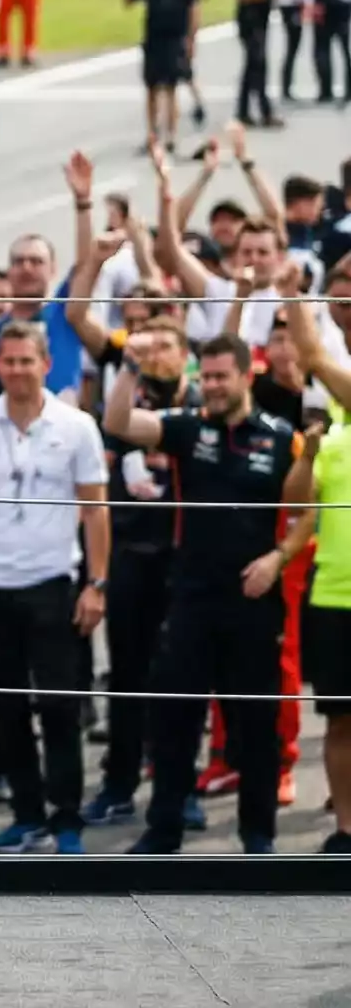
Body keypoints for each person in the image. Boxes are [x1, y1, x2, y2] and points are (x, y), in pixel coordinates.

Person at [105, 332, 303, 855]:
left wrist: (278, 558)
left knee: (257, 725)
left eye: (221, 376)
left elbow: (309, 514)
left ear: (245, 376)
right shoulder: (189, 428)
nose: (212, 386)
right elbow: (119, 423)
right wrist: (131, 366)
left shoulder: (282, 437)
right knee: (174, 718)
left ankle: (258, 836)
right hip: (191, 598)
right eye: (205, 377)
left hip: (254, 602)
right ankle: (163, 828)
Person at [0, 321, 110, 853]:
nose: (15, 370)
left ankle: (66, 820)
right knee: (2, 710)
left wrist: (97, 584)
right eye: (7, 362)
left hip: (53, 583)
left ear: (45, 364)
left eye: (25, 361)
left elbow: (97, 510)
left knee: (60, 708)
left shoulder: (77, 426)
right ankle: (27, 814)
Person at [284, 298, 351, 853]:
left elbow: (309, 352)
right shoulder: (331, 440)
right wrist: (307, 455)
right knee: (340, 721)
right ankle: (347, 829)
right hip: (333, 596)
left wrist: (290, 294)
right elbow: (296, 509)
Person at [128, 0, 200, 148]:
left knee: (171, 88)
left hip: (175, 40)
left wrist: (191, 38)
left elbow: (195, 6)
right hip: (154, 41)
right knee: (152, 88)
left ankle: (171, 134)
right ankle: (152, 133)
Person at [234, 0, 278, 129]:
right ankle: (264, 110)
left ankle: (243, 110)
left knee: (252, 67)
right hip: (251, 23)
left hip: (261, 22)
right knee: (258, 66)